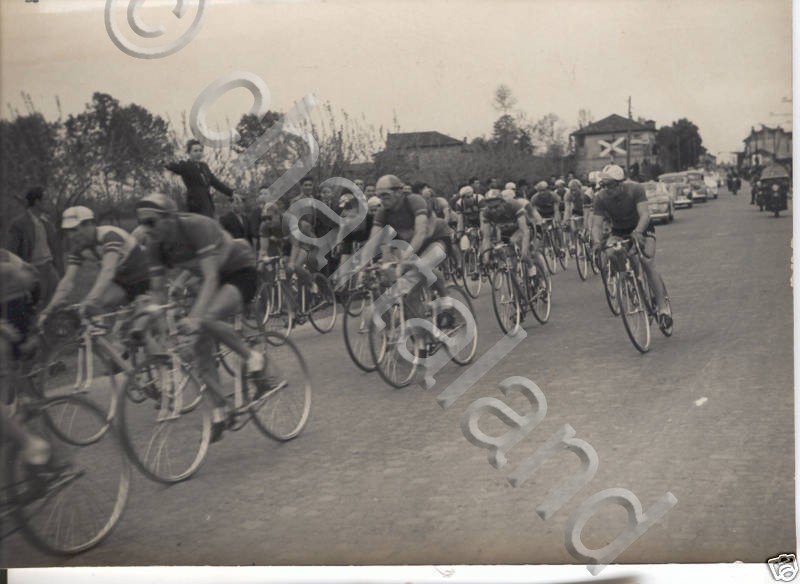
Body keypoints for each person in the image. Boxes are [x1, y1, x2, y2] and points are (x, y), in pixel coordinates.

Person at [135, 193, 272, 442]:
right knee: (200, 348)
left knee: (206, 319)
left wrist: (195, 318)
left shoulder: (196, 226)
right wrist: (156, 323)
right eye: (141, 223)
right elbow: (157, 290)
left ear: (170, 218)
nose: (146, 229)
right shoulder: (154, 244)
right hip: (212, 278)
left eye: (151, 222)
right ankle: (220, 412)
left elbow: (210, 277)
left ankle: (254, 358)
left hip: (239, 269)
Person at [38, 206, 152, 327]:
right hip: (122, 283)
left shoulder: (110, 236)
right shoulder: (79, 247)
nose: (71, 236)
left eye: (74, 229)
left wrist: (90, 300)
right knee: (97, 312)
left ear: (90, 224)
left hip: (145, 280)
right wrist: (48, 311)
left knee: (140, 327)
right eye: (68, 231)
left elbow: (108, 271)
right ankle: (112, 334)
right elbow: (67, 281)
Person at [590, 165, 670, 324]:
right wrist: (597, 242)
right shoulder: (601, 197)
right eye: (603, 185)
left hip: (642, 227)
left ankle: (663, 309)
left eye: (609, 185)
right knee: (611, 252)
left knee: (647, 261)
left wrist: (638, 232)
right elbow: (596, 225)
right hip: (619, 231)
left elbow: (645, 214)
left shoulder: (635, 189)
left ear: (619, 183)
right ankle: (629, 281)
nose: (606, 189)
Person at [356, 175, 452, 300]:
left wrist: (405, 259)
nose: (382, 200)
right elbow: (372, 242)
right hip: (413, 242)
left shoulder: (414, 201)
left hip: (436, 238)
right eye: (379, 196)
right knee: (407, 289)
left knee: (421, 266)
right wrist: (363, 267)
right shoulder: (382, 212)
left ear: (399, 192)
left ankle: (446, 300)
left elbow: (421, 232)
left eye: (386, 195)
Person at [1, 249, 50, 466]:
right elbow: (31, 275)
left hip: (13, 315)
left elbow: (31, 275)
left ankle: (30, 441)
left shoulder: (6, 261)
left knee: (14, 372)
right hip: (17, 314)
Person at [6, 187, 63, 308]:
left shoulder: (46, 222)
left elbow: (55, 248)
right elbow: (12, 252)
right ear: (37, 202)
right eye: (46, 199)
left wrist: (59, 270)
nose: (49, 202)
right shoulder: (18, 224)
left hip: (49, 267)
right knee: (38, 304)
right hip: (34, 268)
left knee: (56, 301)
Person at [165, 139, 239, 217]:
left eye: (200, 150)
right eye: (195, 151)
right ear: (189, 153)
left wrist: (231, 193)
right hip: (195, 205)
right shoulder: (186, 166)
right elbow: (175, 167)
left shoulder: (204, 167)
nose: (198, 153)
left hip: (207, 203)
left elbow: (215, 182)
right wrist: (166, 163)